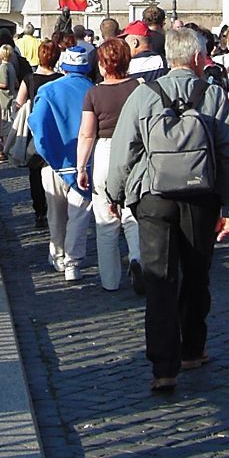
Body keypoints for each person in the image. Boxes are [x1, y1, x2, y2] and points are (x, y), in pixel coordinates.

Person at [106, 27, 229, 394]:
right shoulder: (213, 95)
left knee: (160, 279)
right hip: (201, 197)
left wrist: (114, 194)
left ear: (168, 58)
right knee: (197, 275)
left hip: (153, 197)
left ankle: (164, 367)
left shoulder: (143, 95)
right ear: (198, 58)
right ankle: (193, 349)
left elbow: (123, 151)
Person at [76, 37, 143, 292]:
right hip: (134, 152)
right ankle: (137, 258)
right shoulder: (140, 87)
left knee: (105, 221)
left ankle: (110, 281)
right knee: (133, 214)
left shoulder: (93, 93)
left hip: (104, 153)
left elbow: (86, 134)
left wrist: (82, 167)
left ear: (102, 65)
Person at [28, 43, 95, 281]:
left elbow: (37, 124)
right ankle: (73, 262)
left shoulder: (48, 90)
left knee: (55, 213)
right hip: (86, 162)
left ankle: (57, 255)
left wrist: (47, 151)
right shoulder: (93, 90)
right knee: (80, 214)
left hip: (54, 162)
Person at [14, 39, 63, 230]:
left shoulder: (30, 79)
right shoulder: (61, 78)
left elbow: (19, 102)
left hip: (36, 130)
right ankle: (56, 205)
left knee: (35, 172)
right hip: (57, 129)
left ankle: (39, 210)